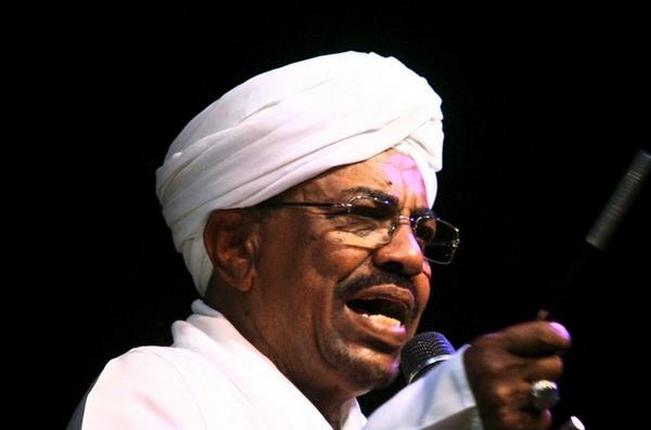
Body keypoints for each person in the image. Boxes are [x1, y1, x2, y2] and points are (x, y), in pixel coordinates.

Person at [68, 51, 571, 430]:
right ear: (237, 248)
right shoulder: (153, 391)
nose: (409, 255)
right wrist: (436, 411)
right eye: (364, 214)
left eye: (423, 231)